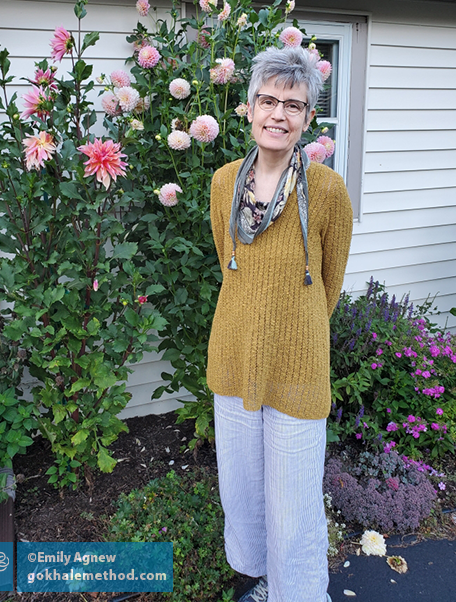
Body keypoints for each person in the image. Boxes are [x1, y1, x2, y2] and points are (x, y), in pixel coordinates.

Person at [207, 45, 354, 602]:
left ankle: (301, 594)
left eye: (292, 105)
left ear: (307, 119)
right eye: (267, 100)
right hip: (234, 356)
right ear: (248, 108)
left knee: (294, 505)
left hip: (297, 369)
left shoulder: (329, 192)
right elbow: (229, 261)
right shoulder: (224, 183)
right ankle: (267, 583)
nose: (278, 114)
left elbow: (331, 281)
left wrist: (293, 328)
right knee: (244, 493)